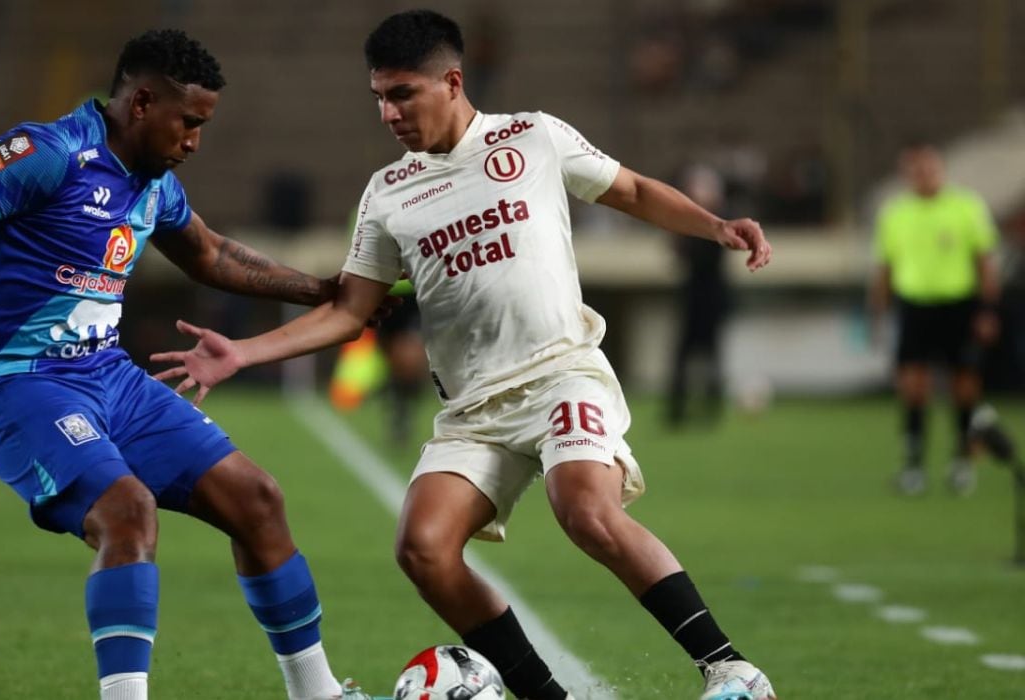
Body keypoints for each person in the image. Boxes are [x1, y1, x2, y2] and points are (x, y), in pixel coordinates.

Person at [153, 11, 776, 700]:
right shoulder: (388, 193)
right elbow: (350, 311)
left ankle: (731, 668)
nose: (388, 113)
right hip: (474, 410)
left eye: (402, 94)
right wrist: (240, 353)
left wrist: (715, 226)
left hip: (561, 374)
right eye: (379, 98)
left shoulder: (532, 136)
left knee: (585, 510)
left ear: (451, 81)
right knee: (421, 549)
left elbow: (626, 189)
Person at [0, 30, 375, 700]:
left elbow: (212, 256)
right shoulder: (50, 154)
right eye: (189, 123)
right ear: (142, 102)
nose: (195, 142)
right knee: (128, 512)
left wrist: (323, 290)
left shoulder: (154, 185)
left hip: (108, 378)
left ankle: (318, 695)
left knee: (258, 500)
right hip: (16, 383)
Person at [870, 141, 1000, 496]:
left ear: (940, 169)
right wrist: (877, 313)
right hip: (914, 306)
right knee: (913, 388)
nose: (922, 175)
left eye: (928, 168)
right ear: (906, 174)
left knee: (964, 386)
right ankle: (914, 466)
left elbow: (985, 261)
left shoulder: (966, 207)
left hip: (959, 305)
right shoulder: (894, 213)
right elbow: (884, 267)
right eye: (915, 169)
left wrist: (988, 310)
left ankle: (962, 462)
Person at [667, 163, 731, 428]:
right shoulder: (693, 225)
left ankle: (710, 407)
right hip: (693, 295)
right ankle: (679, 410)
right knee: (685, 354)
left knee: (710, 353)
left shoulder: (717, 223)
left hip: (710, 296)